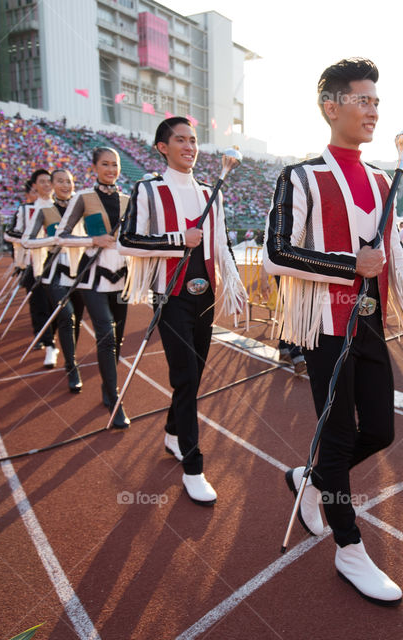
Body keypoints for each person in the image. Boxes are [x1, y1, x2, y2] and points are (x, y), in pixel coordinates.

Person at [263, 58, 403, 606]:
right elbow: (276, 252)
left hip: (369, 324)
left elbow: (389, 260)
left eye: (376, 102)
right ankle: (348, 546)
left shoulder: (383, 179)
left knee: (382, 432)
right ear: (331, 106)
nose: (373, 111)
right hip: (322, 326)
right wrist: (348, 266)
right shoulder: (301, 176)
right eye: (363, 100)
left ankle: (312, 478)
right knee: (339, 436)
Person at [118, 117, 246, 505]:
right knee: (186, 376)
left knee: (193, 377)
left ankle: (173, 433)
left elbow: (220, 241)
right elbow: (127, 241)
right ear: (163, 147)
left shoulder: (211, 190)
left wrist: (233, 282)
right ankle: (193, 464)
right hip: (169, 294)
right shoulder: (147, 190)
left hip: (204, 293)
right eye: (180, 140)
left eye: (193, 140)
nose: (189, 146)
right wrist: (178, 241)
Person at [56, 148, 130, 428]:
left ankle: (106, 387)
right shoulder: (82, 198)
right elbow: (62, 237)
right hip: (93, 278)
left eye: (115, 165)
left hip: (123, 278)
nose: (110, 169)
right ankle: (114, 396)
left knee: (118, 340)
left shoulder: (128, 200)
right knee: (106, 335)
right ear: (94, 167)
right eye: (105, 164)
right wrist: (91, 240)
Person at [22, 169, 84, 392]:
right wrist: (53, 240)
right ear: (52, 185)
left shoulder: (82, 207)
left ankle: (71, 355)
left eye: (69, 181)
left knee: (76, 318)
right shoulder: (45, 211)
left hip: (80, 270)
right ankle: (71, 366)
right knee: (66, 316)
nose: (65, 185)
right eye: (59, 181)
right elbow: (27, 241)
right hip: (55, 271)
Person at [6, 170, 58, 367]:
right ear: (34, 186)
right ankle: (45, 340)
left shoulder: (62, 207)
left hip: (57, 264)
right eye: (41, 182)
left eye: (48, 181)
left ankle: (49, 335)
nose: (46, 185)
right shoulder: (25, 210)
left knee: (56, 305)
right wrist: (29, 243)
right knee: (38, 304)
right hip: (32, 265)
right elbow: (11, 235)